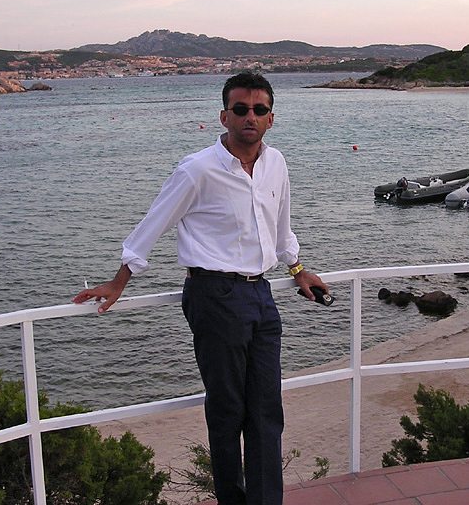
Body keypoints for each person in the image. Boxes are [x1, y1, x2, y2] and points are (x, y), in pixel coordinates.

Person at [73, 71, 329, 505]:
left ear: (271, 118)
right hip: (214, 295)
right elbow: (153, 224)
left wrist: (298, 269)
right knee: (228, 410)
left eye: (259, 110)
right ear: (224, 116)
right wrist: (120, 280)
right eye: (241, 109)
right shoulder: (197, 169)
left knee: (267, 409)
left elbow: (281, 227)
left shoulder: (277, 164)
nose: (250, 117)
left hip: (261, 294)